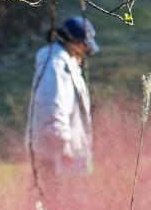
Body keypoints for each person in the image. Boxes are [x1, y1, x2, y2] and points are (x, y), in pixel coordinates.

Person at [26, 16, 99, 182]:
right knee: (55, 203)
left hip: (70, 152)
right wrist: (63, 145)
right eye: (83, 44)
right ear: (71, 41)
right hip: (56, 154)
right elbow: (51, 107)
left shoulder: (69, 64)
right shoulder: (55, 65)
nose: (86, 49)